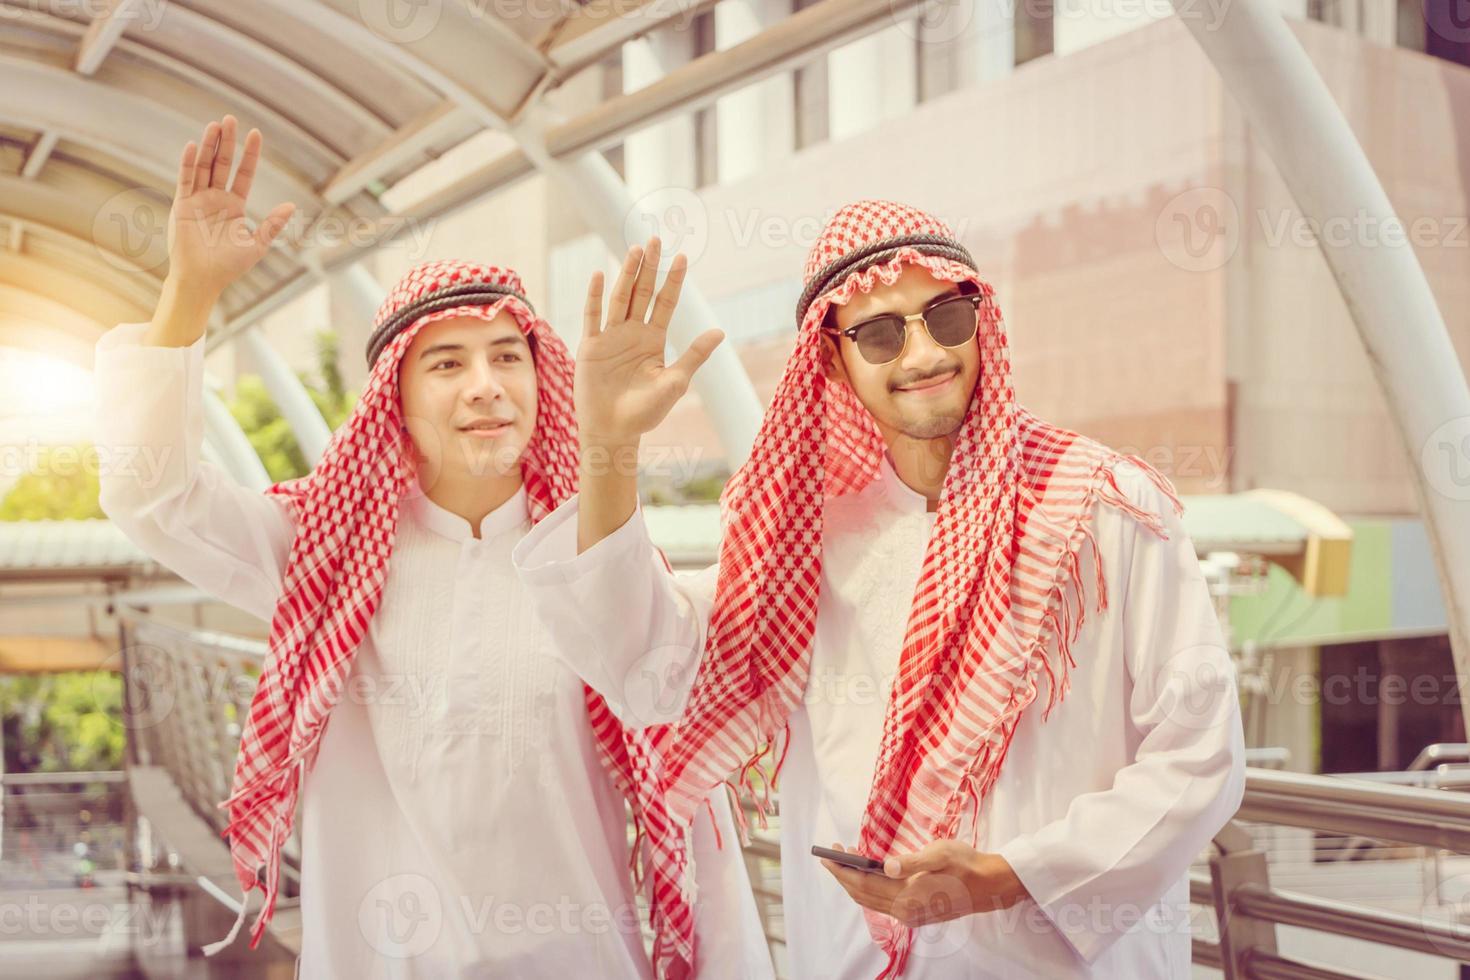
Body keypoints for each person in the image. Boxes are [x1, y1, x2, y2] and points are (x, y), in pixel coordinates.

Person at [95, 114, 771, 979]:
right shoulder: (327, 551)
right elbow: (156, 496)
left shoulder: (598, 560)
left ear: (541, 378)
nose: (486, 387)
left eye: (506, 356)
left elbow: (676, 736)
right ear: (395, 398)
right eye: (446, 364)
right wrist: (186, 290)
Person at [512, 200, 1247, 978]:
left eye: (945, 317)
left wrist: (1008, 877)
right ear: (831, 360)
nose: (924, 352)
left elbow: (1200, 756)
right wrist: (611, 447)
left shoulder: (1108, 508)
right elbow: (647, 669)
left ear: (980, 319)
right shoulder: (805, 541)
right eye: (881, 333)